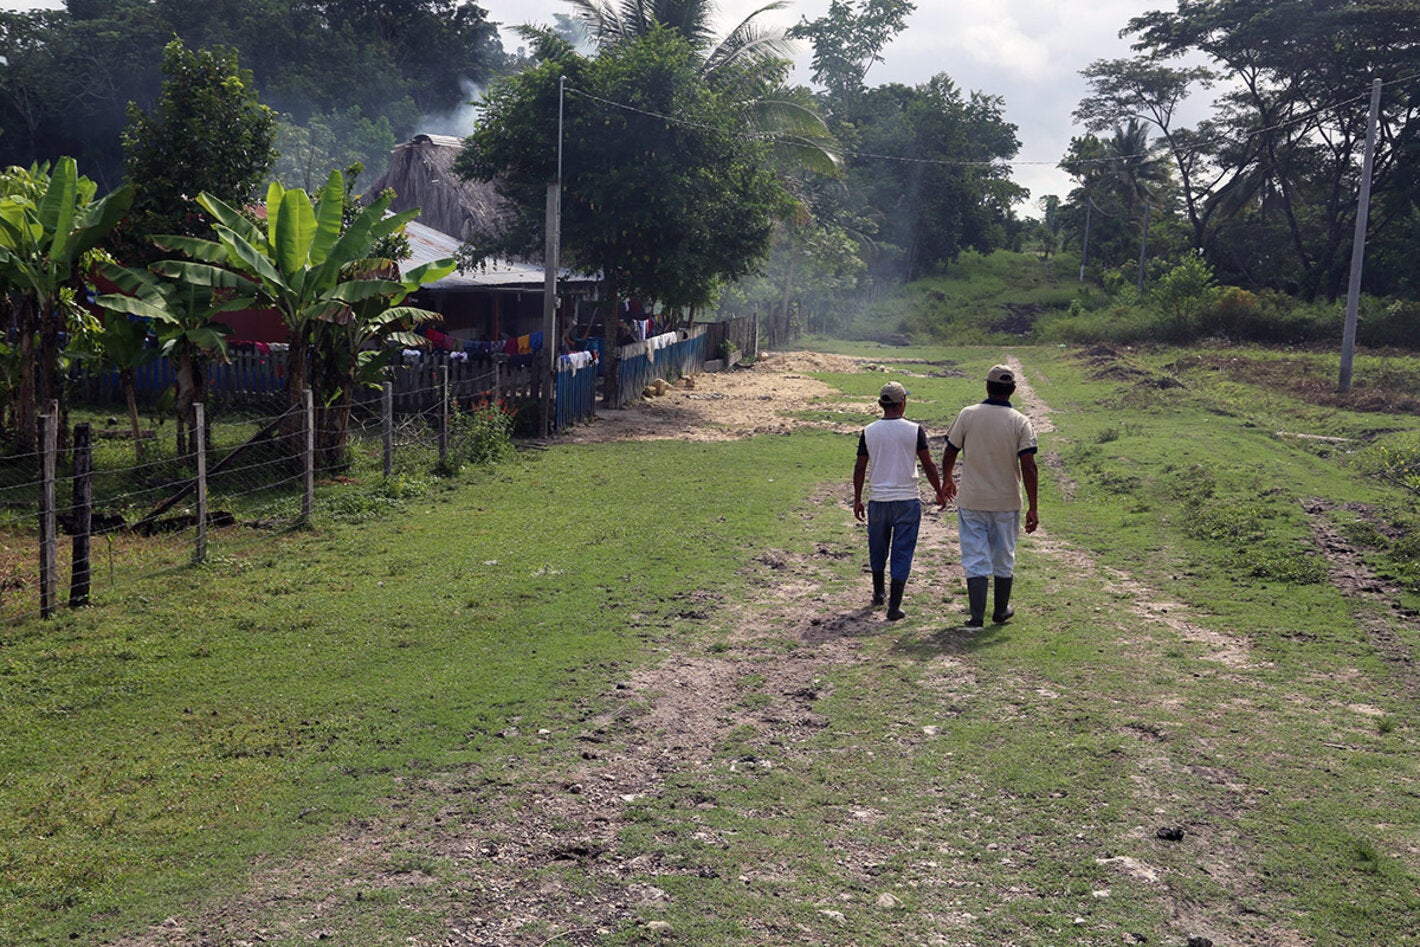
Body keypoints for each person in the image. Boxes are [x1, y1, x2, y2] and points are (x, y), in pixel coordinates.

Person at [940, 364, 1039, 627]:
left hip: (972, 499)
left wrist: (947, 479)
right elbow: (1028, 465)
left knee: (975, 556)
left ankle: (975, 616)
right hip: (1006, 502)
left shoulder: (968, 415)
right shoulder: (1020, 421)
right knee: (1003, 555)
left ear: (987, 386)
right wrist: (1033, 506)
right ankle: (1000, 610)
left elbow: (950, 450)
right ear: (1014, 390)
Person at [853, 382, 946, 621]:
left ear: (880, 405)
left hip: (878, 499)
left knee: (877, 546)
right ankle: (894, 606)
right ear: (903, 402)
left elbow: (860, 467)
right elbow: (928, 465)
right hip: (907, 499)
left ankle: (878, 592)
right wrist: (938, 490)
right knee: (902, 551)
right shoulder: (914, 430)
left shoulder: (869, 431)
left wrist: (857, 499)